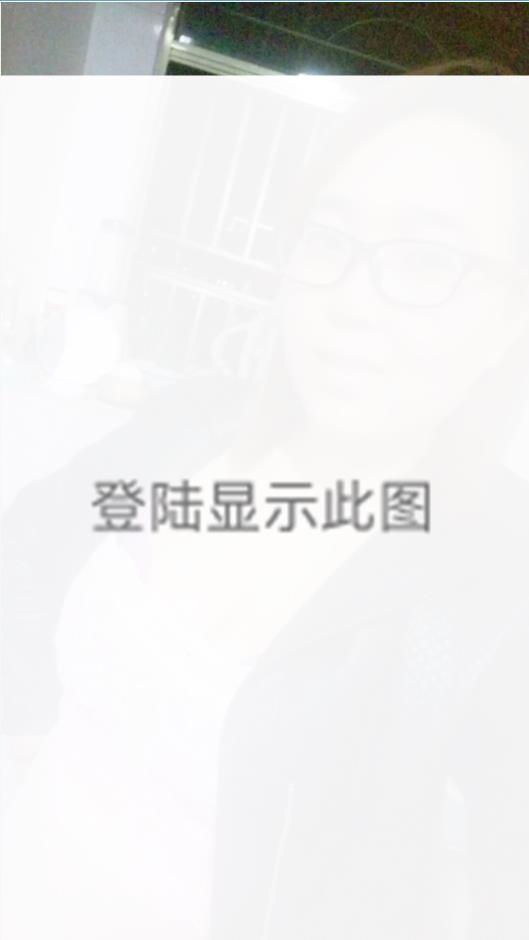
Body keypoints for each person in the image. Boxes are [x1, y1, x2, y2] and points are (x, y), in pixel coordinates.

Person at [208, 76, 529, 939]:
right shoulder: (185, 431)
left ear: (510, 317)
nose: (350, 298)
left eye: (427, 260)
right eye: (327, 239)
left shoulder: (501, 587)